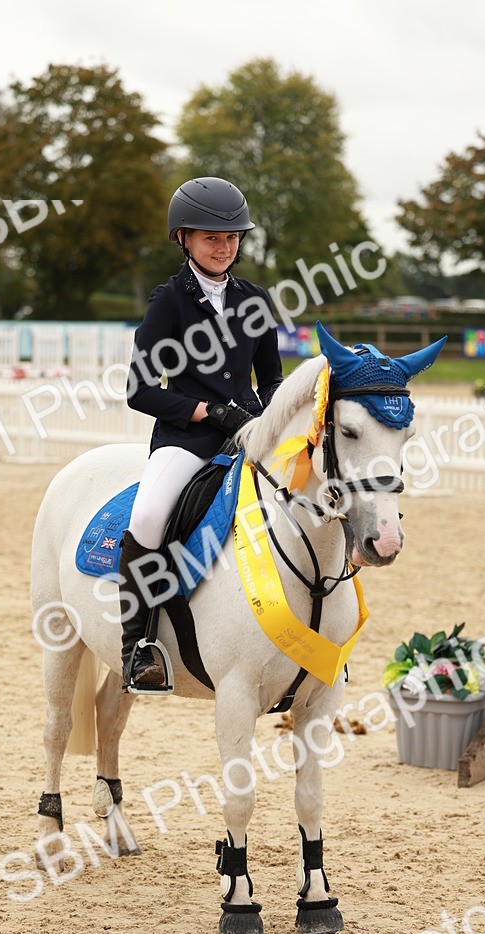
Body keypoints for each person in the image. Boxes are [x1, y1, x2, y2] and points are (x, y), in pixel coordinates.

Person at [121, 176, 283, 691]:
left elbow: (271, 379)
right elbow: (140, 390)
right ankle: (137, 647)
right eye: (212, 237)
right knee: (148, 515)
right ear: (184, 238)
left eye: (232, 237)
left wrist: (273, 414)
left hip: (250, 434)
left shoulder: (255, 300)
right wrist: (206, 411)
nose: (224, 247)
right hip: (187, 439)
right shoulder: (168, 301)